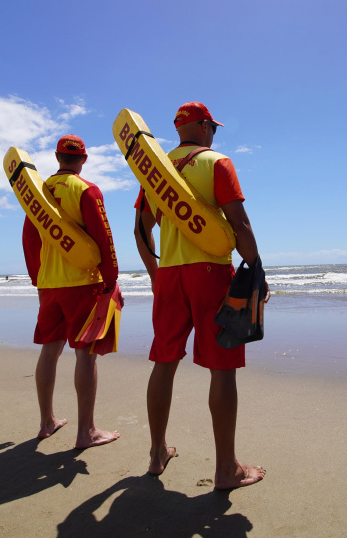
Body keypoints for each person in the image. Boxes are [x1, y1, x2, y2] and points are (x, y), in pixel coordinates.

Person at [134, 102, 268, 490]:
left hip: (172, 274)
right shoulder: (216, 162)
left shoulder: (155, 171)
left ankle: (157, 452)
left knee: (164, 361)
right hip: (211, 272)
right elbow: (239, 224)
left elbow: (142, 231)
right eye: (214, 128)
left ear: (179, 130)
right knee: (222, 368)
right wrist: (256, 272)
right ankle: (226, 468)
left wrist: (157, 276)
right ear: (206, 126)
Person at [22, 134, 121, 448]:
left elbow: (29, 239)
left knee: (50, 349)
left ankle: (46, 422)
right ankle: (85, 432)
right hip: (83, 283)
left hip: (50, 284)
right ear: (84, 159)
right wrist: (111, 279)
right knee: (86, 354)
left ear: (56, 157)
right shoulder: (86, 189)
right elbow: (102, 237)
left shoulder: (39, 194)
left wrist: (38, 279)